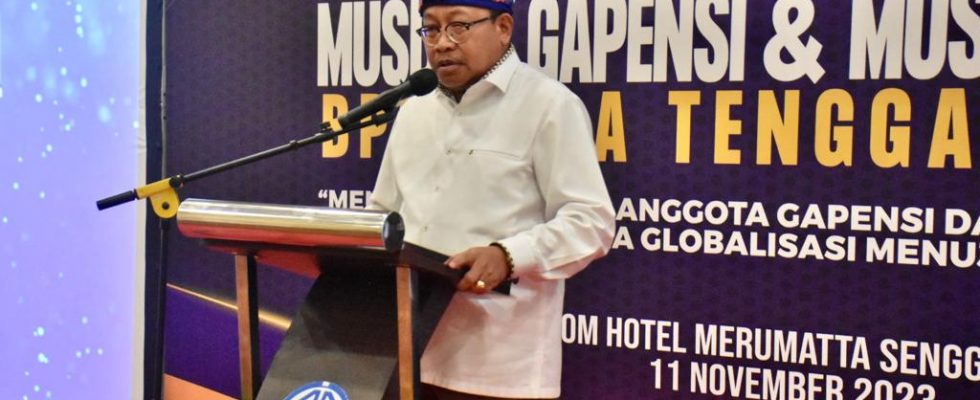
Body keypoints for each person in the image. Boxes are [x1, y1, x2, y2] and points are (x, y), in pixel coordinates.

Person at [369, 0, 615, 398]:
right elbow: (383, 213)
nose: (442, 43)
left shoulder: (549, 105)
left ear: (503, 28)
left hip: (498, 366)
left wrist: (508, 256)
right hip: (404, 354)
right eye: (431, 29)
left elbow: (591, 223)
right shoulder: (414, 110)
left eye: (458, 27)